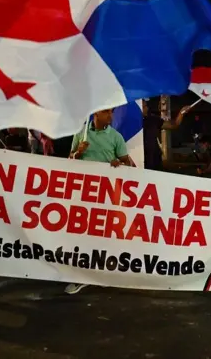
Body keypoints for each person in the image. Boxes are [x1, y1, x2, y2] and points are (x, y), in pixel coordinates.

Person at [66, 109, 135, 294]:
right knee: (83, 236)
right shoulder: (80, 134)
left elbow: (128, 164)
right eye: (107, 113)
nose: (111, 117)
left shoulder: (116, 136)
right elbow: (68, 162)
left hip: (108, 196)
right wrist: (78, 153)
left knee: (106, 235)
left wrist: (118, 163)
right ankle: (81, 277)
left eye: (111, 113)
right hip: (84, 195)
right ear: (95, 114)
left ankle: (104, 273)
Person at [69, 109, 135, 168]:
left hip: (105, 179)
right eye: (106, 111)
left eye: (112, 111)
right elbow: (69, 158)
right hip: (84, 178)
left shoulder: (116, 136)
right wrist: (78, 152)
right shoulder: (80, 132)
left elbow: (127, 162)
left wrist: (119, 164)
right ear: (95, 112)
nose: (110, 115)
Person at [142, 100, 191, 171]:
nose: (147, 108)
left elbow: (174, 124)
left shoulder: (152, 120)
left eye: (146, 106)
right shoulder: (130, 123)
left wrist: (181, 113)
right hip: (140, 161)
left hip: (155, 160)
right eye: (144, 107)